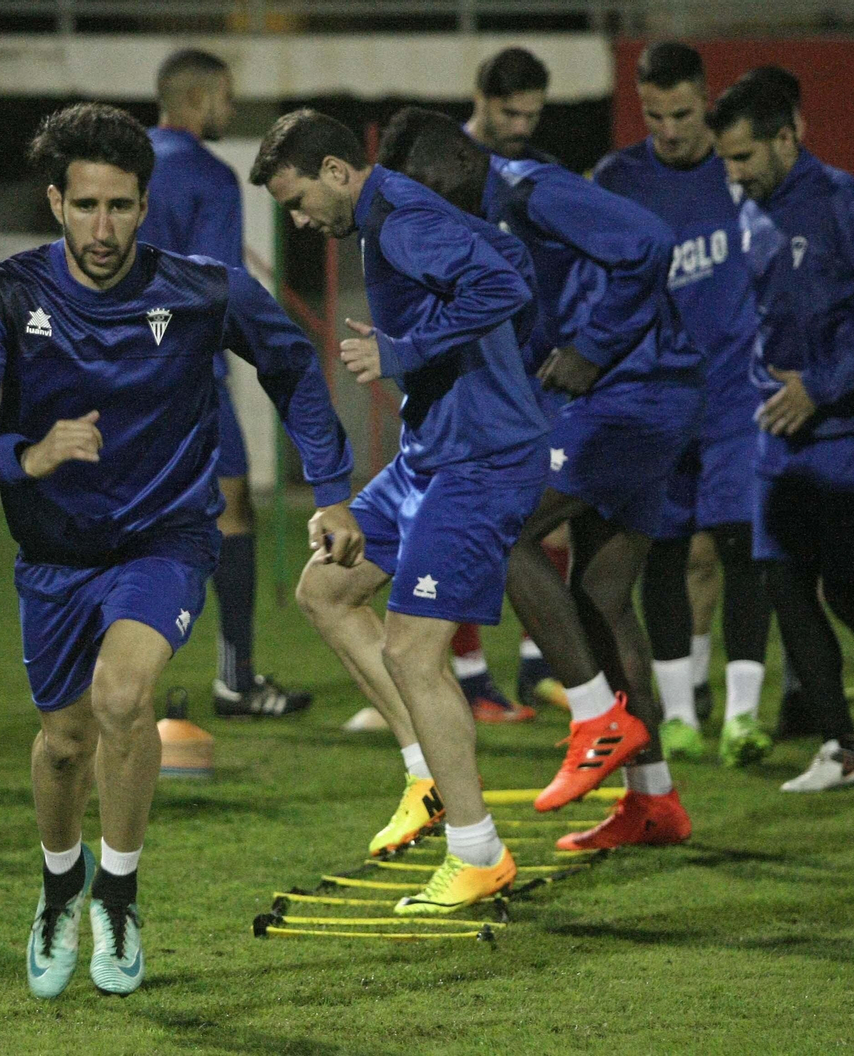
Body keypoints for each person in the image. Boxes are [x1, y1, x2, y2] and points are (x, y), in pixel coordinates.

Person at [0, 103, 357, 997]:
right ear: (56, 203)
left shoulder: (202, 289)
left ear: (145, 206)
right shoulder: (8, 297)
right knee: (66, 741)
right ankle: (58, 886)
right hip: (52, 556)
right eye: (86, 207)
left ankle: (116, 899)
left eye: (120, 206)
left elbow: (293, 367)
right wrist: (27, 456)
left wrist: (335, 487)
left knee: (124, 698)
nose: (104, 227)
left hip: (166, 538)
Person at [376, 107, 701, 850]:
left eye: (425, 191)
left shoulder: (527, 190)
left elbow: (649, 244)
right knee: (602, 598)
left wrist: (594, 346)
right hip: (632, 398)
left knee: (503, 527)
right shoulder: (486, 213)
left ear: (458, 165)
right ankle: (653, 801)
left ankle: (595, 718)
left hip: (632, 396)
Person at [252, 109, 548, 913]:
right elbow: (512, 255)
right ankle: (427, 775)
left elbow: (505, 282)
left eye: (298, 199)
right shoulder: (395, 217)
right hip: (431, 455)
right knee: (325, 589)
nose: (299, 217)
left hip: (479, 461)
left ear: (340, 173)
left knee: (415, 651)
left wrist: (405, 350)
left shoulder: (400, 222)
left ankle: (478, 850)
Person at [710, 72, 854, 792]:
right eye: (726, 160)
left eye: (743, 158)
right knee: (784, 583)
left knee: (850, 585)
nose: (734, 174)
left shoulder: (851, 206)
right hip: (778, 426)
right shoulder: (752, 213)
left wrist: (822, 387)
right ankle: (841, 749)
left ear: (788, 137)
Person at [594, 41, 774, 768]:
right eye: (655, 114)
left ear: (707, 99)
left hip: (738, 398)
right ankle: (677, 717)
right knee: (663, 553)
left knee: (741, 548)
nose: (670, 129)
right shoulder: (618, 180)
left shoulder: (740, 171)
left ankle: (741, 718)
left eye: (684, 112)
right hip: (657, 398)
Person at [138, 48, 310, 719]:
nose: (230, 110)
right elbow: (215, 285)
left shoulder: (127, 165)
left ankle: (125, 685)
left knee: (133, 522)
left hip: (117, 371)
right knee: (231, 512)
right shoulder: (208, 175)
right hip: (188, 374)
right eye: (226, 98)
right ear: (200, 99)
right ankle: (235, 680)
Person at [450, 45, 566, 721]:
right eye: (510, 111)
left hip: (536, 367)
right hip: (468, 370)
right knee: (465, 518)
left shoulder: (542, 171)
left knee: (548, 509)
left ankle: (534, 666)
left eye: (533, 113)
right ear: (483, 99)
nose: (521, 125)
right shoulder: (444, 166)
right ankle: (468, 678)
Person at [465, 47, 558, 164]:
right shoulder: (440, 160)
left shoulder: (546, 170)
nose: (521, 129)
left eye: (531, 115)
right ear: (480, 99)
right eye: (510, 114)